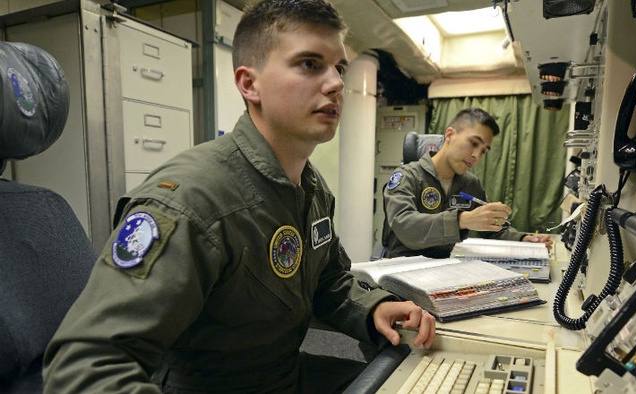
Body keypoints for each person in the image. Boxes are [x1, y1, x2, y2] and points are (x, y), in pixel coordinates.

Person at [42, 0, 435, 392]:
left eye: (339, 68)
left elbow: (328, 282)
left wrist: (373, 308)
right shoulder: (191, 202)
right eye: (310, 64)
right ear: (250, 84)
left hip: (280, 375)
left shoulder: (311, 188)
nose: (335, 83)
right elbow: (84, 368)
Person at [382, 108, 552, 259]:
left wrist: (523, 239)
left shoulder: (470, 184)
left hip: (446, 267)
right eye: (473, 143)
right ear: (450, 135)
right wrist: (462, 220)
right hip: (403, 266)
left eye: (483, 151)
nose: (476, 155)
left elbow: (492, 229)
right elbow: (404, 225)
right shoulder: (407, 176)